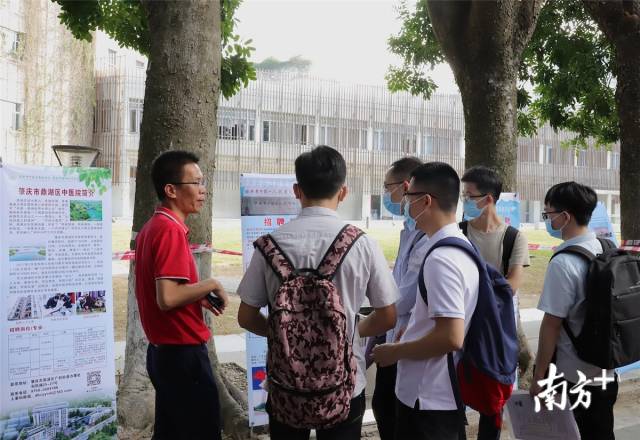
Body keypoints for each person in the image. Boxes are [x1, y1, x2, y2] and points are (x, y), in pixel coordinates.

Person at [237, 145, 398, 440]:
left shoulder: (269, 245)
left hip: (285, 385)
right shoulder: (362, 244)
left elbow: (246, 316)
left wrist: (283, 333)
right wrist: (350, 332)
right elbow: (388, 316)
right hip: (345, 385)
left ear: (297, 190)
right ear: (343, 192)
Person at [373, 162, 479, 440]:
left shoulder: (441, 258)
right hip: (436, 394)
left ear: (426, 201)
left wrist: (396, 351)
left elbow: (451, 336)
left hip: (428, 397)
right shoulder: (458, 245)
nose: (405, 205)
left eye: (409, 198)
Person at [134, 150, 229, 440]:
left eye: (203, 182)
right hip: (183, 356)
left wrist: (195, 295)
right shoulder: (168, 230)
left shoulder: (153, 226)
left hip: (164, 354)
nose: (203, 190)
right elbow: (168, 298)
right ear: (171, 190)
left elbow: (167, 292)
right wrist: (210, 284)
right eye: (196, 183)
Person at [530, 181, 617, 440]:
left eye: (548, 214)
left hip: (572, 376)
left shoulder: (564, 262)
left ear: (565, 217)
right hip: (606, 372)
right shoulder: (606, 248)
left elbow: (551, 325)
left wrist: (539, 377)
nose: (548, 220)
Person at [460, 166, 531, 440]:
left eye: (469, 195)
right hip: (461, 324)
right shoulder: (459, 232)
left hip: (496, 330)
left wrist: (475, 290)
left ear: (488, 199)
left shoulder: (513, 237)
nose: (465, 200)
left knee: (493, 397)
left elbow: (511, 285)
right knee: (456, 389)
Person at [372, 156, 427, 440]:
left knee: (395, 413)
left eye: (387, 187)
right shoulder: (410, 231)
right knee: (384, 406)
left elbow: (404, 298)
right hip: (394, 335)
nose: (386, 194)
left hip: (409, 341)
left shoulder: (428, 239)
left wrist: (367, 324)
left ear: (406, 187)